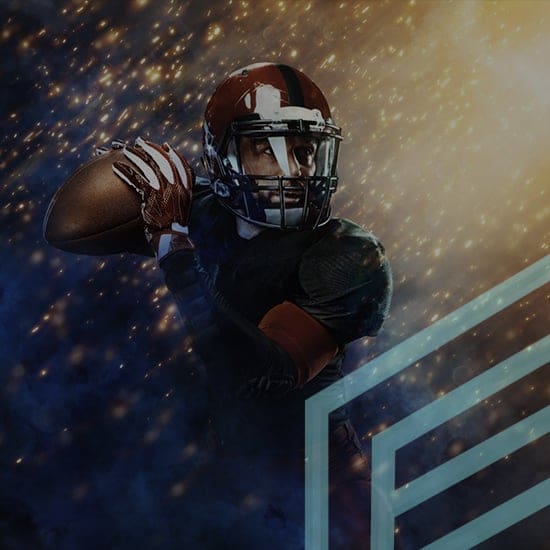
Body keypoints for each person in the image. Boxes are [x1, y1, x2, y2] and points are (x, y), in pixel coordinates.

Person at [110, 62, 392, 548]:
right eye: (267, 148)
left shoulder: (349, 254)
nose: (296, 169)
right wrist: (127, 177)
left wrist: (174, 251)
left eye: (304, 150)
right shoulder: (205, 212)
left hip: (319, 484)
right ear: (222, 159)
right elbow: (75, 221)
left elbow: (262, 370)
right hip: (223, 469)